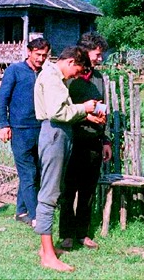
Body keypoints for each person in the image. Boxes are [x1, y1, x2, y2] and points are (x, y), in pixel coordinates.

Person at [34, 46, 102, 272]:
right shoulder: (53, 78)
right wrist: (83, 108)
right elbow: (57, 112)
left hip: (59, 134)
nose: (77, 76)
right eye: (78, 71)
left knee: (54, 190)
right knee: (50, 193)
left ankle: (47, 249)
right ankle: (48, 256)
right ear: (71, 62)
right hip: (55, 133)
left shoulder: (55, 77)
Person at [59, 32, 112, 251]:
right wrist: (85, 116)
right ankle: (66, 235)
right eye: (98, 54)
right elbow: (62, 110)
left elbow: (102, 106)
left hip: (94, 141)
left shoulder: (98, 78)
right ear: (85, 51)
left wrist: (106, 139)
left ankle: (82, 233)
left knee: (88, 190)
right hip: (72, 140)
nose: (100, 59)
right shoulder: (68, 77)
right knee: (68, 189)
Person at [0, 38, 51, 227]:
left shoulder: (45, 73)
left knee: (35, 172)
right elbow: (2, 98)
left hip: (40, 128)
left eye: (44, 55)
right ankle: (36, 216)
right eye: (38, 54)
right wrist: (4, 124)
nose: (41, 59)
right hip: (19, 130)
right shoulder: (15, 70)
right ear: (29, 52)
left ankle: (21, 211)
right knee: (27, 173)